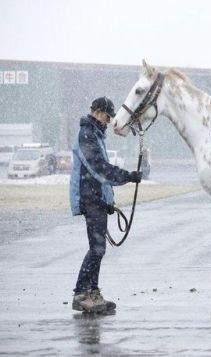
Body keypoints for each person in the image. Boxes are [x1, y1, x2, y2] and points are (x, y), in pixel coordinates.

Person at [70, 96, 142, 313]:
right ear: (98, 112)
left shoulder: (96, 135)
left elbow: (99, 173)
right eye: (108, 116)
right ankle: (81, 293)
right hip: (89, 199)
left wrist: (108, 202)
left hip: (97, 200)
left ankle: (93, 293)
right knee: (97, 248)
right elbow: (99, 168)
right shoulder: (87, 134)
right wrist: (127, 176)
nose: (109, 121)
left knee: (99, 249)